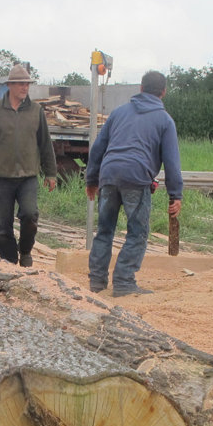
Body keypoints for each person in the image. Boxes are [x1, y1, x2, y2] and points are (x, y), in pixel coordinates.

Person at [84, 70, 183, 297]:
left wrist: (91, 179)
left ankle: (97, 283)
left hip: (108, 175)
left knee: (105, 230)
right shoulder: (165, 120)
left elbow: (97, 148)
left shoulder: (118, 113)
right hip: (136, 178)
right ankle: (124, 282)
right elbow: (172, 162)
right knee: (137, 233)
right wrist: (175, 195)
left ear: (140, 88)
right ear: (164, 92)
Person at [0, 64, 58, 266]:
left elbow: (45, 143)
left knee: (30, 215)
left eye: (27, 84)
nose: (25, 87)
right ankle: (9, 266)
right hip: (1, 178)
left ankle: (26, 251)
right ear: (10, 85)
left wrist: (51, 173)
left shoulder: (36, 111)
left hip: (28, 177)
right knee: (3, 229)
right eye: (21, 83)